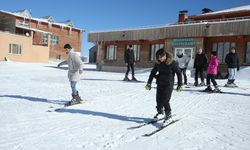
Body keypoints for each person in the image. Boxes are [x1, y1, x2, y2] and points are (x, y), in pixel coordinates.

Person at [145, 48, 182, 123]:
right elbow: (153, 73)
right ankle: (160, 112)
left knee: (165, 99)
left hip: (168, 84)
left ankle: (168, 115)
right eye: (158, 58)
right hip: (160, 83)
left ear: (164, 56)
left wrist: (179, 85)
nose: (159, 59)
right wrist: (149, 83)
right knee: (158, 99)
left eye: (160, 57)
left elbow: (179, 73)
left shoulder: (172, 63)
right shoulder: (158, 63)